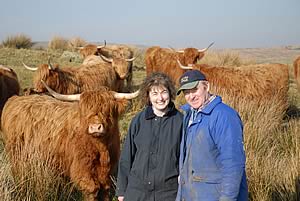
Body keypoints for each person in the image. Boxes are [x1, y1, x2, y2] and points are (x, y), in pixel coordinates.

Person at [175, 70, 248, 201]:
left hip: (213, 195)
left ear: (206, 87)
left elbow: (233, 164)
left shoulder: (224, 116)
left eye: (194, 90)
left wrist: (227, 198)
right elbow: (185, 165)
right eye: (186, 92)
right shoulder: (189, 114)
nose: (191, 96)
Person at [116, 72, 183, 201]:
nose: (160, 98)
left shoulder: (180, 122)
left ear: (170, 93)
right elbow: (126, 157)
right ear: (148, 96)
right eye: (155, 93)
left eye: (164, 92)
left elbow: (185, 160)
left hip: (168, 193)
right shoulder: (138, 120)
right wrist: (122, 191)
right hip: (137, 192)